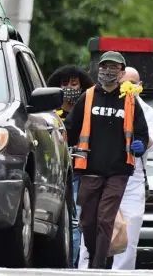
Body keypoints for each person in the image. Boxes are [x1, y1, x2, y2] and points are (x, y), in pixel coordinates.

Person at [64, 51, 149, 269]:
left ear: (121, 72)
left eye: (113, 68)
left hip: (118, 171)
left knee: (105, 218)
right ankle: (95, 257)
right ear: (98, 69)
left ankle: (98, 266)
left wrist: (138, 145)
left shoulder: (130, 100)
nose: (108, 71)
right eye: (104, 67)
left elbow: (141, 132)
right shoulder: (89, 97)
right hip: (89, 169)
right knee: (88, 221)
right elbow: (70, 130)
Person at [78, 66, 153, 270]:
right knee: (92, 227)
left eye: (133, 84)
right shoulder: (104, 102)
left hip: (132, 181)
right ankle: (85, 269)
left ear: (140, 86)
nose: (128, 87)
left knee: (129, 237)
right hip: (103, 178)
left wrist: (140, 140)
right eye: (124, 83)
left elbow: (152, 141)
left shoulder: (147, 112)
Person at [47, 64, 94, 267]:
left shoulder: (89, 111)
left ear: (82, 87)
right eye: (64, 83)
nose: (69, 87)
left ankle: (71, 266)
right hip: (53, 173)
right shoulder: (50, 114)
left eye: (74, 83)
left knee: (75, 223)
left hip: (80, 172)